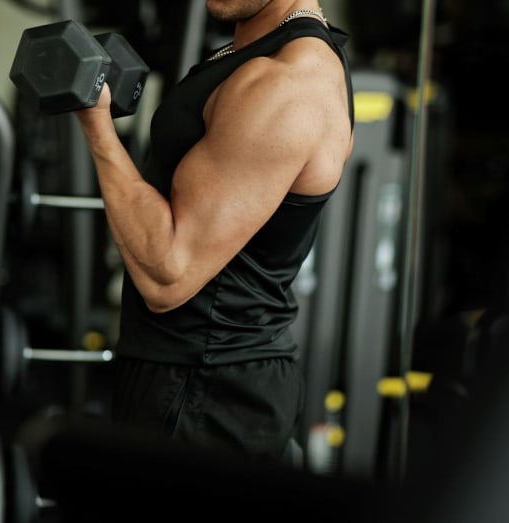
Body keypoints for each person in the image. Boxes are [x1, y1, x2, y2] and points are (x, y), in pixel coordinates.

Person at [73, 0, 355, 464]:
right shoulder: (253, 54)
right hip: (188, 378)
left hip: (205, 392)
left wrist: (96, 124)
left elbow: (168, 273)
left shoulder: (286, 85)